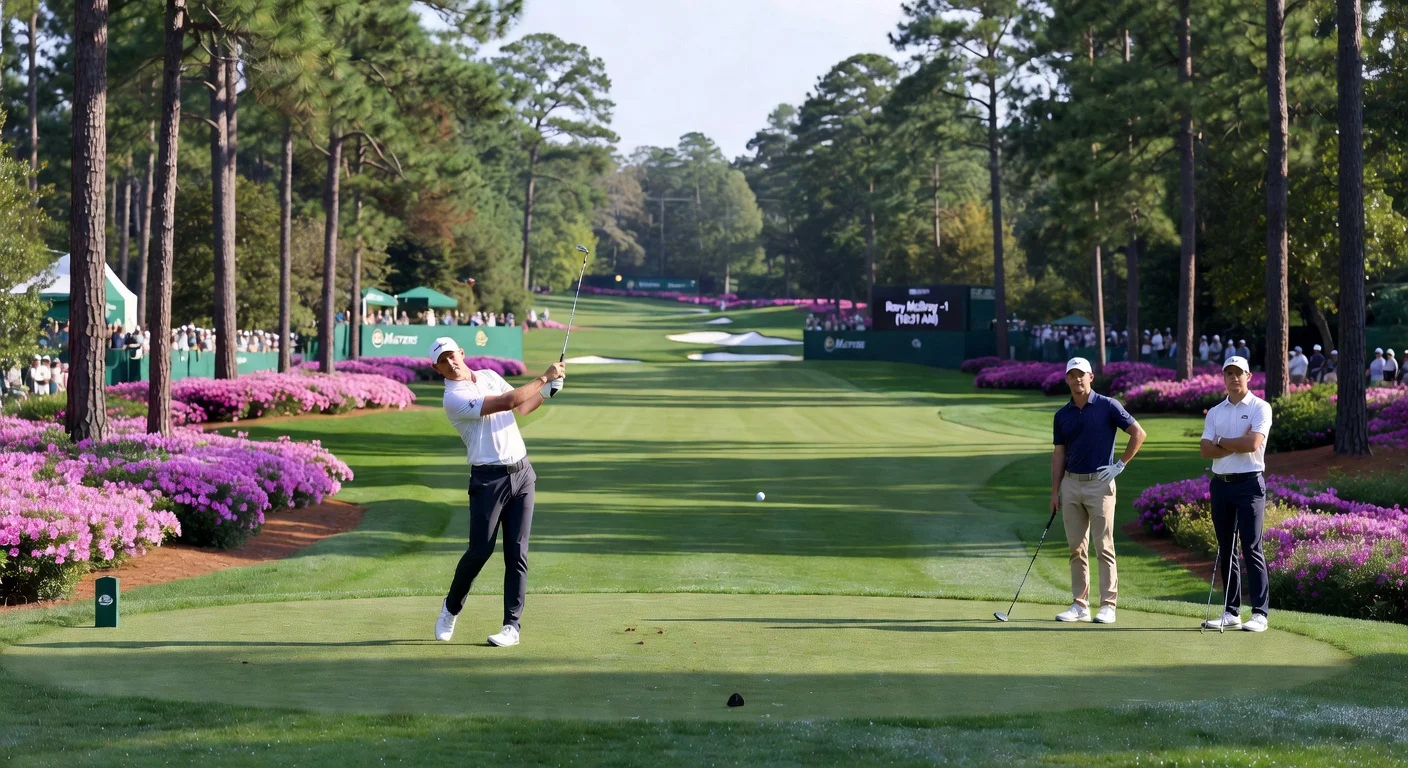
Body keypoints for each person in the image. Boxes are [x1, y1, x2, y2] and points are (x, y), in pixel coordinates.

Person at [432, 337, 566, 647]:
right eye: (443, 360)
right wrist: (544, 376)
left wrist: (548, 390)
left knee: (517, 553)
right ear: (436, 368)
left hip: (522, 474)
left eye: (452, 355)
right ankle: (451, 609)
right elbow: (506, 402)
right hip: (487, 480)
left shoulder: (490, 376)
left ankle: (511, 626)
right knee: (480, 551)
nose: (450, 362)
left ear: (462, 354)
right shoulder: (454, 398)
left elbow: (523, 405)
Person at [1050, 357, 1147, 625]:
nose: (1077, 379)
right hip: (1070, 484)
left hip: (1100, 484)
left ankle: (1108, 605)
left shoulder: (1108, 406)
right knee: (1075, 548)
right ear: (1067, 379)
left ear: (1091, 377)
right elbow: (1059, 454)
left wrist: (1120, 465)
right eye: (1072, 375)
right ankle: (1080, 605)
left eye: (1082, 375)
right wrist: (1054, 492)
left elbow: (1138, 433)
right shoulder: (1062, 415)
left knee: (1103, 545)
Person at [1199, 355, 1273, 632]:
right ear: (1224, 377)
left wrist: (1220, 442)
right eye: (1229, 373)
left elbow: (1253, 443)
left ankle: (1259, 614)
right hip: (1221, 483)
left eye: (1238, 373)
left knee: (1252, 547)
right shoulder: (1216, 411)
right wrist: (1232, 443)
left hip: (1250, 485)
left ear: (1249, 376)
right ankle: (1231, 612)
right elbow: (1205, 450)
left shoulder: (1259, 407)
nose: (1234, 377)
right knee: (1226, 548)